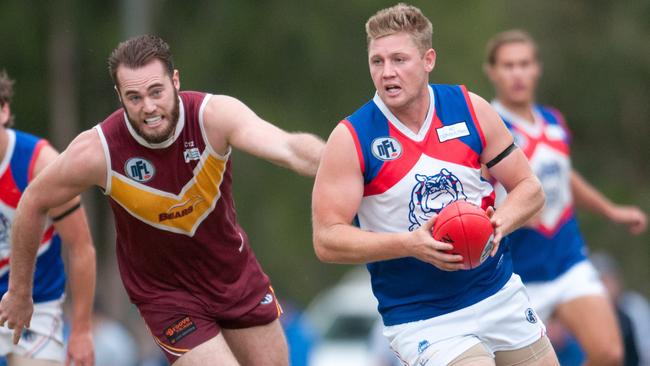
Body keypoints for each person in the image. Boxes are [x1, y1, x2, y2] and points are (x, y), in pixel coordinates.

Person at [0, 35, 324, 366]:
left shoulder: (213, 117)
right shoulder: (99, 151)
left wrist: (342, 165)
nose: (149, 107)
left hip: (233, 276)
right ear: (120, 97)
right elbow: (33, 201)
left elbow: (288, 148)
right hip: (167, 296)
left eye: (156, 91)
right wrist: (20, 292)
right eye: (134, 97)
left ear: (175, 81)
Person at [312, 4, 558, 366]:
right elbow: (327, 239)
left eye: (399, 59)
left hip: (499, 294)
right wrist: (409, 244)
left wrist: (497, 224)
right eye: (377, 61)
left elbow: (529, 188)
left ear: (428, 59)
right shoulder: (352, 138)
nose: (387, 73)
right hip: (424, 317)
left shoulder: (469, 108)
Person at [483, 29, 648, 366]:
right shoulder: (489, 125)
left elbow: (562, 174)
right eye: (508, 65)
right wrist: (508, 214)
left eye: (524, 64)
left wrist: (611, 210)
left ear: (536, 68)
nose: (517, 73)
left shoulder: (553, 120)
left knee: (609, 352)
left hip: (566, 258)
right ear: (493, 71)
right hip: (518, 273)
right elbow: (478, 190)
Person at [0, 70, 95, 365]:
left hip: (35, 306)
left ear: (4, 111)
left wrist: (80, 331)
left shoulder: (39, 163)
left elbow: (81, 248)